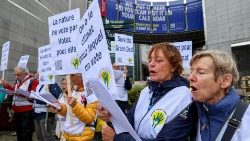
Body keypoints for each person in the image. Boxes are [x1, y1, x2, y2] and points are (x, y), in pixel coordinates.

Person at [98, 42, 197, 141]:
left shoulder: (185, 96)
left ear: (173, 67)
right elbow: (129, 120)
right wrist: (111, 118)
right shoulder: (146, 91)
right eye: (150, 60)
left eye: (158, 60)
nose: (151, 64)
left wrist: (117, 138)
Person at [188, 50, 250, 141]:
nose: (190, 77)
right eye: (191, 71)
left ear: (225, 81)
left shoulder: (247, 119)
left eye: (201, 72)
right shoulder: (192, 113)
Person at [49, 73, 98, 141]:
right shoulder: (74, 91)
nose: (69, 77)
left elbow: (89, 119)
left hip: (82, 136)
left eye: (72, 75)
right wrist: (59, 107)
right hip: (68, 134)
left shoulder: (91, 93)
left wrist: (75, 105)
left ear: (82, 75)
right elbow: (69, 112)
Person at [0, 66, 39, 141]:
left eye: (18, 74)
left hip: (27, 109)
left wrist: (20, 94)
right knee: (18, 130)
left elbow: (33, 94)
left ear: (25, 73)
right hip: (17, 109)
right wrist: (6, 85)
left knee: (26, 131)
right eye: (15, 74)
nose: (16, 76)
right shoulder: (18, 81)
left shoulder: (33, 81)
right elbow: (13, 91)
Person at [33, 73, 62, 141]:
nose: (37, 75)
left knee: (47, 136)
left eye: (39, 73)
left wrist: (39, 100)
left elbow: (55, 98)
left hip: (45, 114)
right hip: (36, 113)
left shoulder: (52, 83)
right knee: (39, 136)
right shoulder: (39, 84)